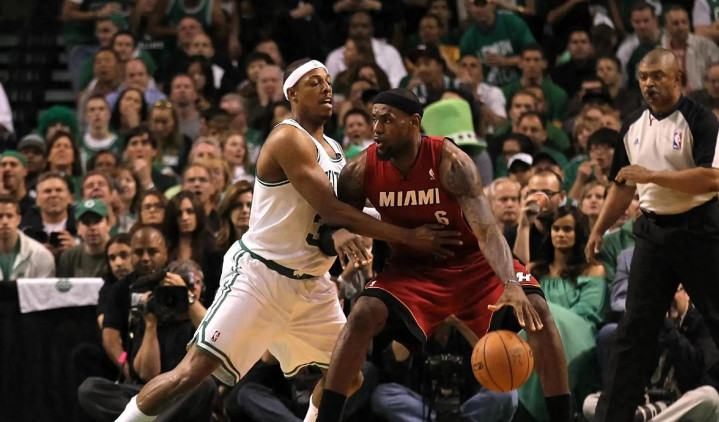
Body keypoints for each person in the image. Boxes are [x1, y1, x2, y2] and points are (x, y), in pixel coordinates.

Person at [113, 59, 457, 422]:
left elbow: (338, 219)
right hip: (262, 276)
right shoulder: (288, 138)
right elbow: (332, 209)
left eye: (328, 81)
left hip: (312, 284)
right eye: (315, 82)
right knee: (191, 374)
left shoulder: (335, 150)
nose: (327, 88)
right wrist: (409, 236)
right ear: (292, 93)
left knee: (348, 376)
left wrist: (419, 211)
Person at [316, 88, 571, 422]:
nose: (376, 129)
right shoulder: (359, 171)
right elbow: (332, 227)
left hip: (474, 266)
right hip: (411, 271)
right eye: (374, 119)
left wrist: (510, 282)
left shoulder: (451, 162)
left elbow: (488, 231)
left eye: (387, 120)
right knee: (363, 313)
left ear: (414, 122)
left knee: (536, 308)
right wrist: (341, 234)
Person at [586, 48, 719, 422]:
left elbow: (712, 178)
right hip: (653, 233)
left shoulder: (701, 119)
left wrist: (652, 176)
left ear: (678, 79)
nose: (649, 83)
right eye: (643, 77)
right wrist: (598, 229)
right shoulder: (632, 125)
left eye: (657, 76)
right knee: (633, 332)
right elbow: (622, 184)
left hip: (699, 229)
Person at [81, 228, 216, 421]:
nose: (145, 258)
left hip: (183, 389)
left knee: (204, 383)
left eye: (194, 284)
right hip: (146, 391)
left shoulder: (202, 312)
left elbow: (214, 335)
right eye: (139, 252)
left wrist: (188, 298)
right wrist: (150, 323)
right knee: (90, 388)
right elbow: (147, 374)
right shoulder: (150, 305)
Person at [163, 190, 222, 304]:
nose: (185, 218)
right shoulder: (165, 248)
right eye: (179, 214)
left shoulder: (212, 250)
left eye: (190, 212)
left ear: (198, 214)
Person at [20, 172, 77, 256]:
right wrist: (37, 254)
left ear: (70, 198)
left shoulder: (82, 225)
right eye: (47, 191)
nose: (53, 195)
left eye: (59, 190)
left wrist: (77, 250)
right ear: (37, 200)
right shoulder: (25, 232)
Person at [0, 194, 55, 279]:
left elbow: (43, 287)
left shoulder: (42, 255)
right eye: (0, 216)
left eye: (10, 216)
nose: (5, 222)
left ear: (18, 219)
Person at [57, 199, 112, 278]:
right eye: (86, 222)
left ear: (108, 224)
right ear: (78, 227)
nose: (92, 227)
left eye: (97, 221)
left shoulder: (119, 253)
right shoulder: (69, 257)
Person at [216, 181, 253, 253]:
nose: (245, 210)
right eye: (238, 205)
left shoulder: (266, 246)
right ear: (228, 210)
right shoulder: (215, 248)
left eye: (249, 205)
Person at [0, 151, 35, 216]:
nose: (7, 169)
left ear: (25, 171)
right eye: (3, 165)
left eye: (13, 164)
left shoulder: (34, 206)